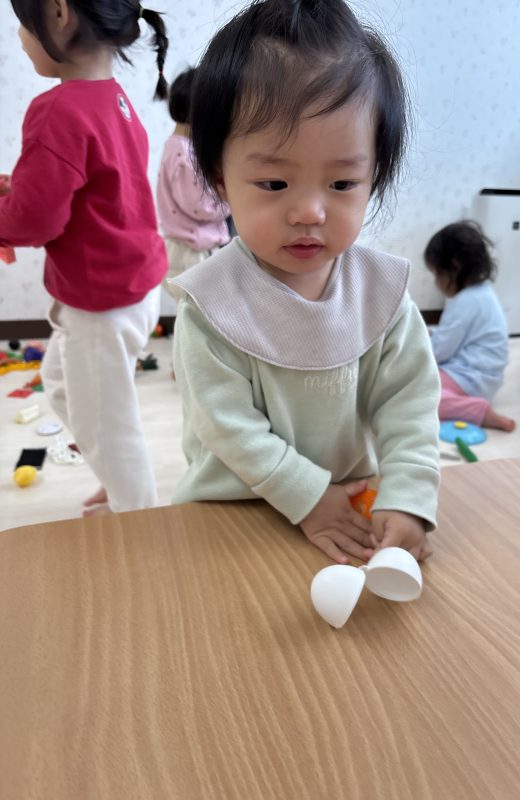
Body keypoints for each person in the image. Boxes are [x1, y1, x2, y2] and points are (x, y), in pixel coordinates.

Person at [172, 0, 441, 565]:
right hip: (230, 517)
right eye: (274, 183)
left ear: (374, 176)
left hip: (349, 511)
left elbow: (409, 402)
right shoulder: (212, 302)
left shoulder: (381, 293)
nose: (310, 212)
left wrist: (410, 495)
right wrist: (308, 497)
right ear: (220, 177)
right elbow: (227, 425)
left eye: (343, 183)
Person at [0, 0, 169, 515]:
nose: (21, 38)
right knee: (60, 384)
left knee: (108, 426)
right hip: (131, 286)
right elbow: (89, 190)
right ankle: (117, 481)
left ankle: (137, 515)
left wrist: (13, 208)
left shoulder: (57, 110)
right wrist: (19, 192)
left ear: (58, 13)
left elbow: (34, 222)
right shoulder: (113, 98)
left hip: (102, 302)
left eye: (23, 24)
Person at [424, 220, 516, 431]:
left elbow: (438, 353)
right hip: (485, 378)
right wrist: (434, 334)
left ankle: (478, 411)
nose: (436, 283)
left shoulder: (465, 301)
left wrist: (420, 346)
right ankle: (468, 403)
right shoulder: (483, 293)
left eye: (437, 274)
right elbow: (459, 336)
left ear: (454, 267)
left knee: (419, 394)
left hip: (470, 378)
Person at [157, 68, 231, 302]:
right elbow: (200, 206)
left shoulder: (179, 147)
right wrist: (232, 201)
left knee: (196, 308)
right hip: (191, 251)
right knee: (201, 308)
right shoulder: (184, 154)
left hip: (188, 247)